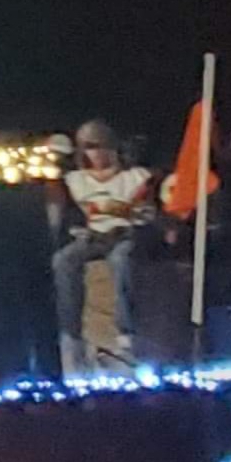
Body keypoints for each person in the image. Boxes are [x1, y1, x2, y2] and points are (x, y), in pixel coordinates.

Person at [50, 118, 153, 373]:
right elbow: (72, 217)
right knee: (63, 261)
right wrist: (77, 229)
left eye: (98, 146)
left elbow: (147, 214)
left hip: (124, 234)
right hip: (93, 236)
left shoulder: (135, 178)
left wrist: (125, 212)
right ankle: (70, 334)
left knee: (121, 260)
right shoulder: (76, 180)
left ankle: (125, 333)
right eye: (87, 147)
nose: (93, 153)